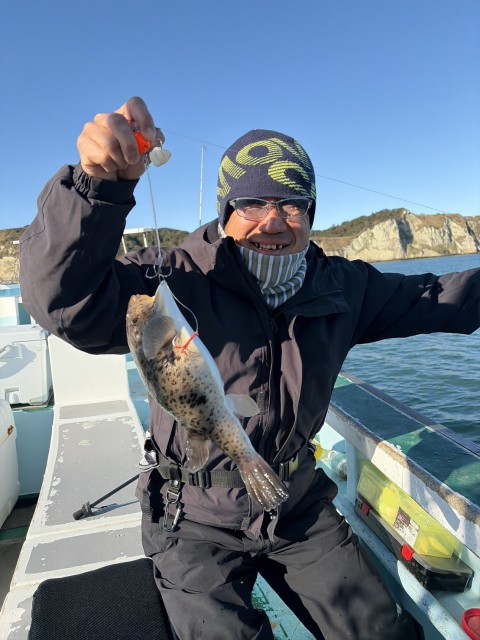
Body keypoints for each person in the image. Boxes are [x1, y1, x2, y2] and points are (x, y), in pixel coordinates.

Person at [19, 96, 479, 640]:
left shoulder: (343, 287)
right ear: (226, 212)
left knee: (381, 633)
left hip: (296, 505)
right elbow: (63, 302)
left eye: (292, 204)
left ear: (311, 213)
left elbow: (443, 296)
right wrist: (96, 188)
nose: (274, 221)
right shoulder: (171, 278)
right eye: (253, 202)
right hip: (191, 517)